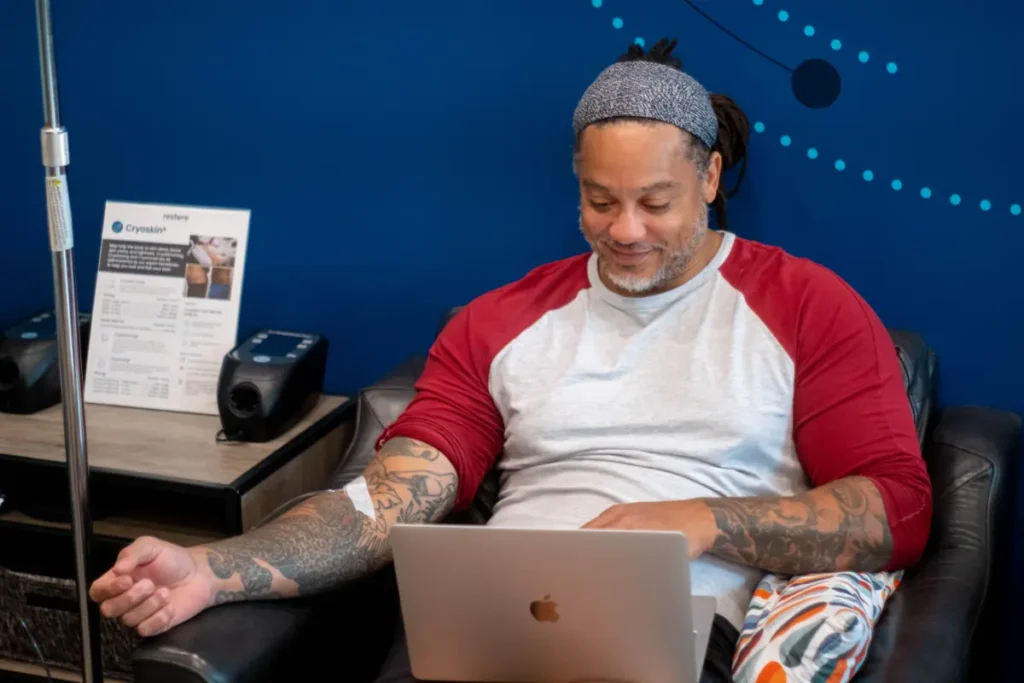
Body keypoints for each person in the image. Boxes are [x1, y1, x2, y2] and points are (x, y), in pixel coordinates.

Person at [89, 39, 931, 683]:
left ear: (710, 177)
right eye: (601, 201)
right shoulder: (500, 320)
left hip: (677, 636)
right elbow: (384, 503)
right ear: (575, 181)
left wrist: (705, 520)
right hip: (485, 627)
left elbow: (894, 508)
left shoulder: (809, 304)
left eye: (655, 202)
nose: (626, 230)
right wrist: (209, 569)